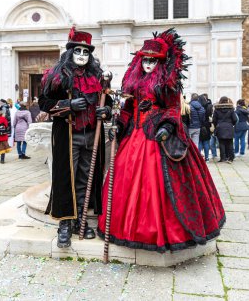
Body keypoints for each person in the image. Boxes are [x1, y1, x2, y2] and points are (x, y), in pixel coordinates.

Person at [98, 28, 225, 253]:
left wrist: (167, 125)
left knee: (161, 185)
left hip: (157, 136)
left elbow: (173, 109)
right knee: (124, 180)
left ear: (161, 62)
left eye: (153, 61)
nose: (148, 65)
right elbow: (127, 109)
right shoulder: (134, 85)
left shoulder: (168, 84)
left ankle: (165, 232)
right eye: (145, 60)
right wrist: (118, 125)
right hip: (133, 138)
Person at [39, 26, 112, 248]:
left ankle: (81, 218)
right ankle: (65, 223)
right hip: (67, 135)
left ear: (90, 56)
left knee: (85, 178)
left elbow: (107, 103)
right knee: (65, 178)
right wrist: (67, 104)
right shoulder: (57, 77)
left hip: (92, 136)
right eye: (77, 52)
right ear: (70, 53)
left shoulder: (97, 77)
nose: (81, 56)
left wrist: (106, 111)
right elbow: (44, 104)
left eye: (86, 52)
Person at [212, 97, 237, 163]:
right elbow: (235, 119)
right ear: (227, 101)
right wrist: (231, 124)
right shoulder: (231, 109)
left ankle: (222, 158)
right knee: (230, 143)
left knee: (221, 143)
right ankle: (231, 158)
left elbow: (214, 120)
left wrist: (216, 125)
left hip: (220, 127)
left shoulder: (217, 109)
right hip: (229, 127)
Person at [198, 94, 213, 162]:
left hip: (199, 125)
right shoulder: (209, 106)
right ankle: (207, 158)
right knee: (206, 142)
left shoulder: (198, 107)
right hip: (207, 125)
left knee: (200, 142)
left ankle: (199, 158)